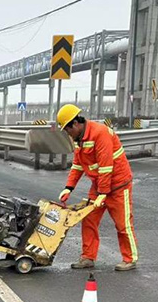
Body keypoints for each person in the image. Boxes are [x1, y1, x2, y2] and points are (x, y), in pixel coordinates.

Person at [57, 104, 139, 271]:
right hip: (100, 186)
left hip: (118, 185)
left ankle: (129, 258)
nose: (67, 133)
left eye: (67, 129)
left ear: (75, 124)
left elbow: (106, 167)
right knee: (89, 219)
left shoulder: (100, 133)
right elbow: (78, 166)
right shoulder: (79, 139)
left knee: (123, 224)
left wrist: (103, 193)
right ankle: (88, 257)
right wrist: (69, 187)